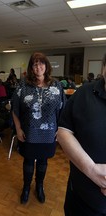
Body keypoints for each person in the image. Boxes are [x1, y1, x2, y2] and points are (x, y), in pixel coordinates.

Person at [11, 52, 66, 204]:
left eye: (41, 63)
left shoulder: (57, 85)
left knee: (43, 161)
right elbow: (15, 109)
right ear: (31, 67)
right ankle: (26, 187)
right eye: (35, 64)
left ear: (46, 65)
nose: (38, 66)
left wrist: (60, 130)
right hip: (29, 132)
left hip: (49, 133)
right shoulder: (23, 85)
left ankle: (40, 186)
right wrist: (18, 129)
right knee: (28, 161)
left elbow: (63, 110)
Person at [57, 53, 106, 215]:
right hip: (81, 198)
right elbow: (63, 131)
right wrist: (92, 170)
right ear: (103, 68)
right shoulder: (84, 93)